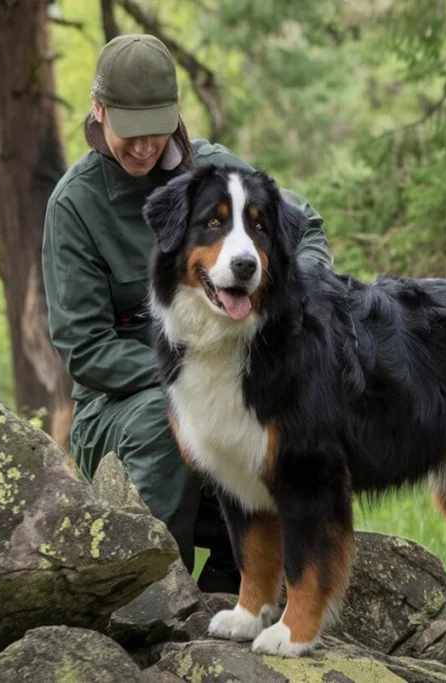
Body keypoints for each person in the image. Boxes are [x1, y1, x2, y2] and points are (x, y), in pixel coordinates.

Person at [41, 34, 333, 591]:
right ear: (98, 111)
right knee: (165, 415)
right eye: (130, 130)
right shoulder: (74, 206)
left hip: (230, 377)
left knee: (284, 405)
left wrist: (301, 301)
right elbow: (86, 350)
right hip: (125, 402)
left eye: (157, 126)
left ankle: (237, 585)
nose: (145, 146)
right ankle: (153, 596)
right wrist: (193, 382)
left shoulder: (216, 171)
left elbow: (305, 229)